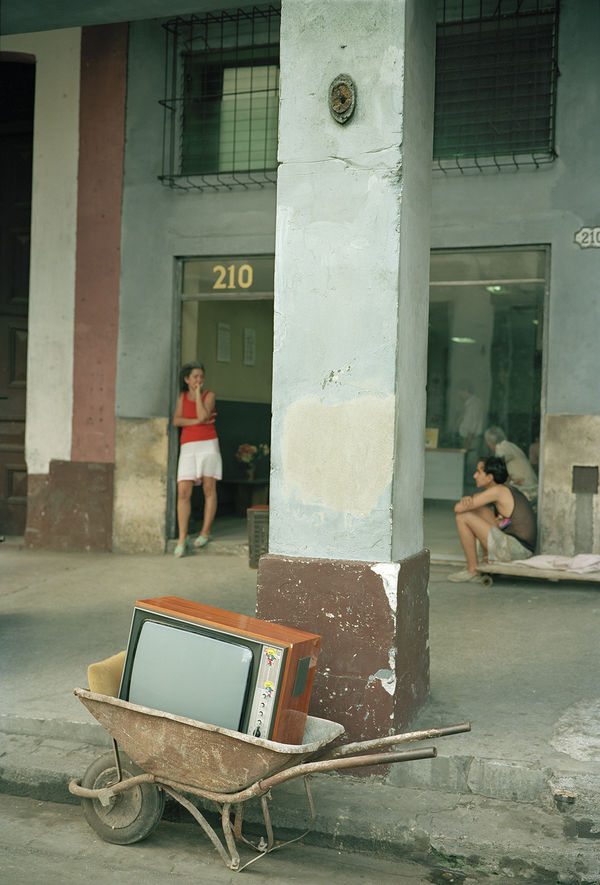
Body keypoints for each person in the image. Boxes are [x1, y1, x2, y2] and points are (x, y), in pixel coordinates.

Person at [448, 455, 536, 583]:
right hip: (519, 549)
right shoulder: (502, 490)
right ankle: (486, 562)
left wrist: (466, 502)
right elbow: (497, 521)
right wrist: (469, 502)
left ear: (489, 478)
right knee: (480, 510)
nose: (474, 476)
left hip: (519, 550)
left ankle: (472, 571)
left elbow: (458, 509)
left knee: (462, 517)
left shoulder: (498, 491)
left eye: (478, 472)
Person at [172, 362, 222, 557]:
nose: (199, 380)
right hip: (188, 447)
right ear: (187, 379)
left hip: (208, 444)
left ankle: (205, 531)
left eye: (201, 376)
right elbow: (177, 420)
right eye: (195, 377)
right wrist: (195, 422)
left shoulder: (209, 395)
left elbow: (203, 415)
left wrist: (199, 397)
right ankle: (182, 538)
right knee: (183, 491)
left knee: (209, 488)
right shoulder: (182, 397)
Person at [484, 426, 538, 503]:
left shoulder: (501, 448)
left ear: (489, 443)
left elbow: (496, 472)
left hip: (526, 489)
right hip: (531, 487)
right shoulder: (510, 445)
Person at [457, 384, 485, 492]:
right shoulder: (471, 404)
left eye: (460, 392)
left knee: (470, 466)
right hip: (469, 439)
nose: (459, 395)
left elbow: (471, 428)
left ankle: (470, 492)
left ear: (465, 390)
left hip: (470, 440)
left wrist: (466, 446)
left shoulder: (474, 405)